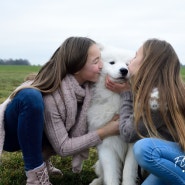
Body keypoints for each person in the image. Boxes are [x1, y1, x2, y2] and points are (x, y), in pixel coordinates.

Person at [0, 36, 120, 185]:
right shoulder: (54, 95)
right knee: (30, 97)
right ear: (77, 68)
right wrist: (105, 131)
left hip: (36, 131)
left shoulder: (87, 88)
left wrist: (125, 88)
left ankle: (41, 158)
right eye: (96, 61)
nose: (102, 65)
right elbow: (63, 147)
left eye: (100, 59)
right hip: (12, 135)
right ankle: (36, 176)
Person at [106, 38, 185, 185]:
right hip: (174, 159)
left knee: (145, 148)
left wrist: (126, 94)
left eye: (136, 56)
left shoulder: (157, 99)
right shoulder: (164, 91)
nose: (130, 61)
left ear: (148, 63)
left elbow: (127, 133)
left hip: (179, 157)